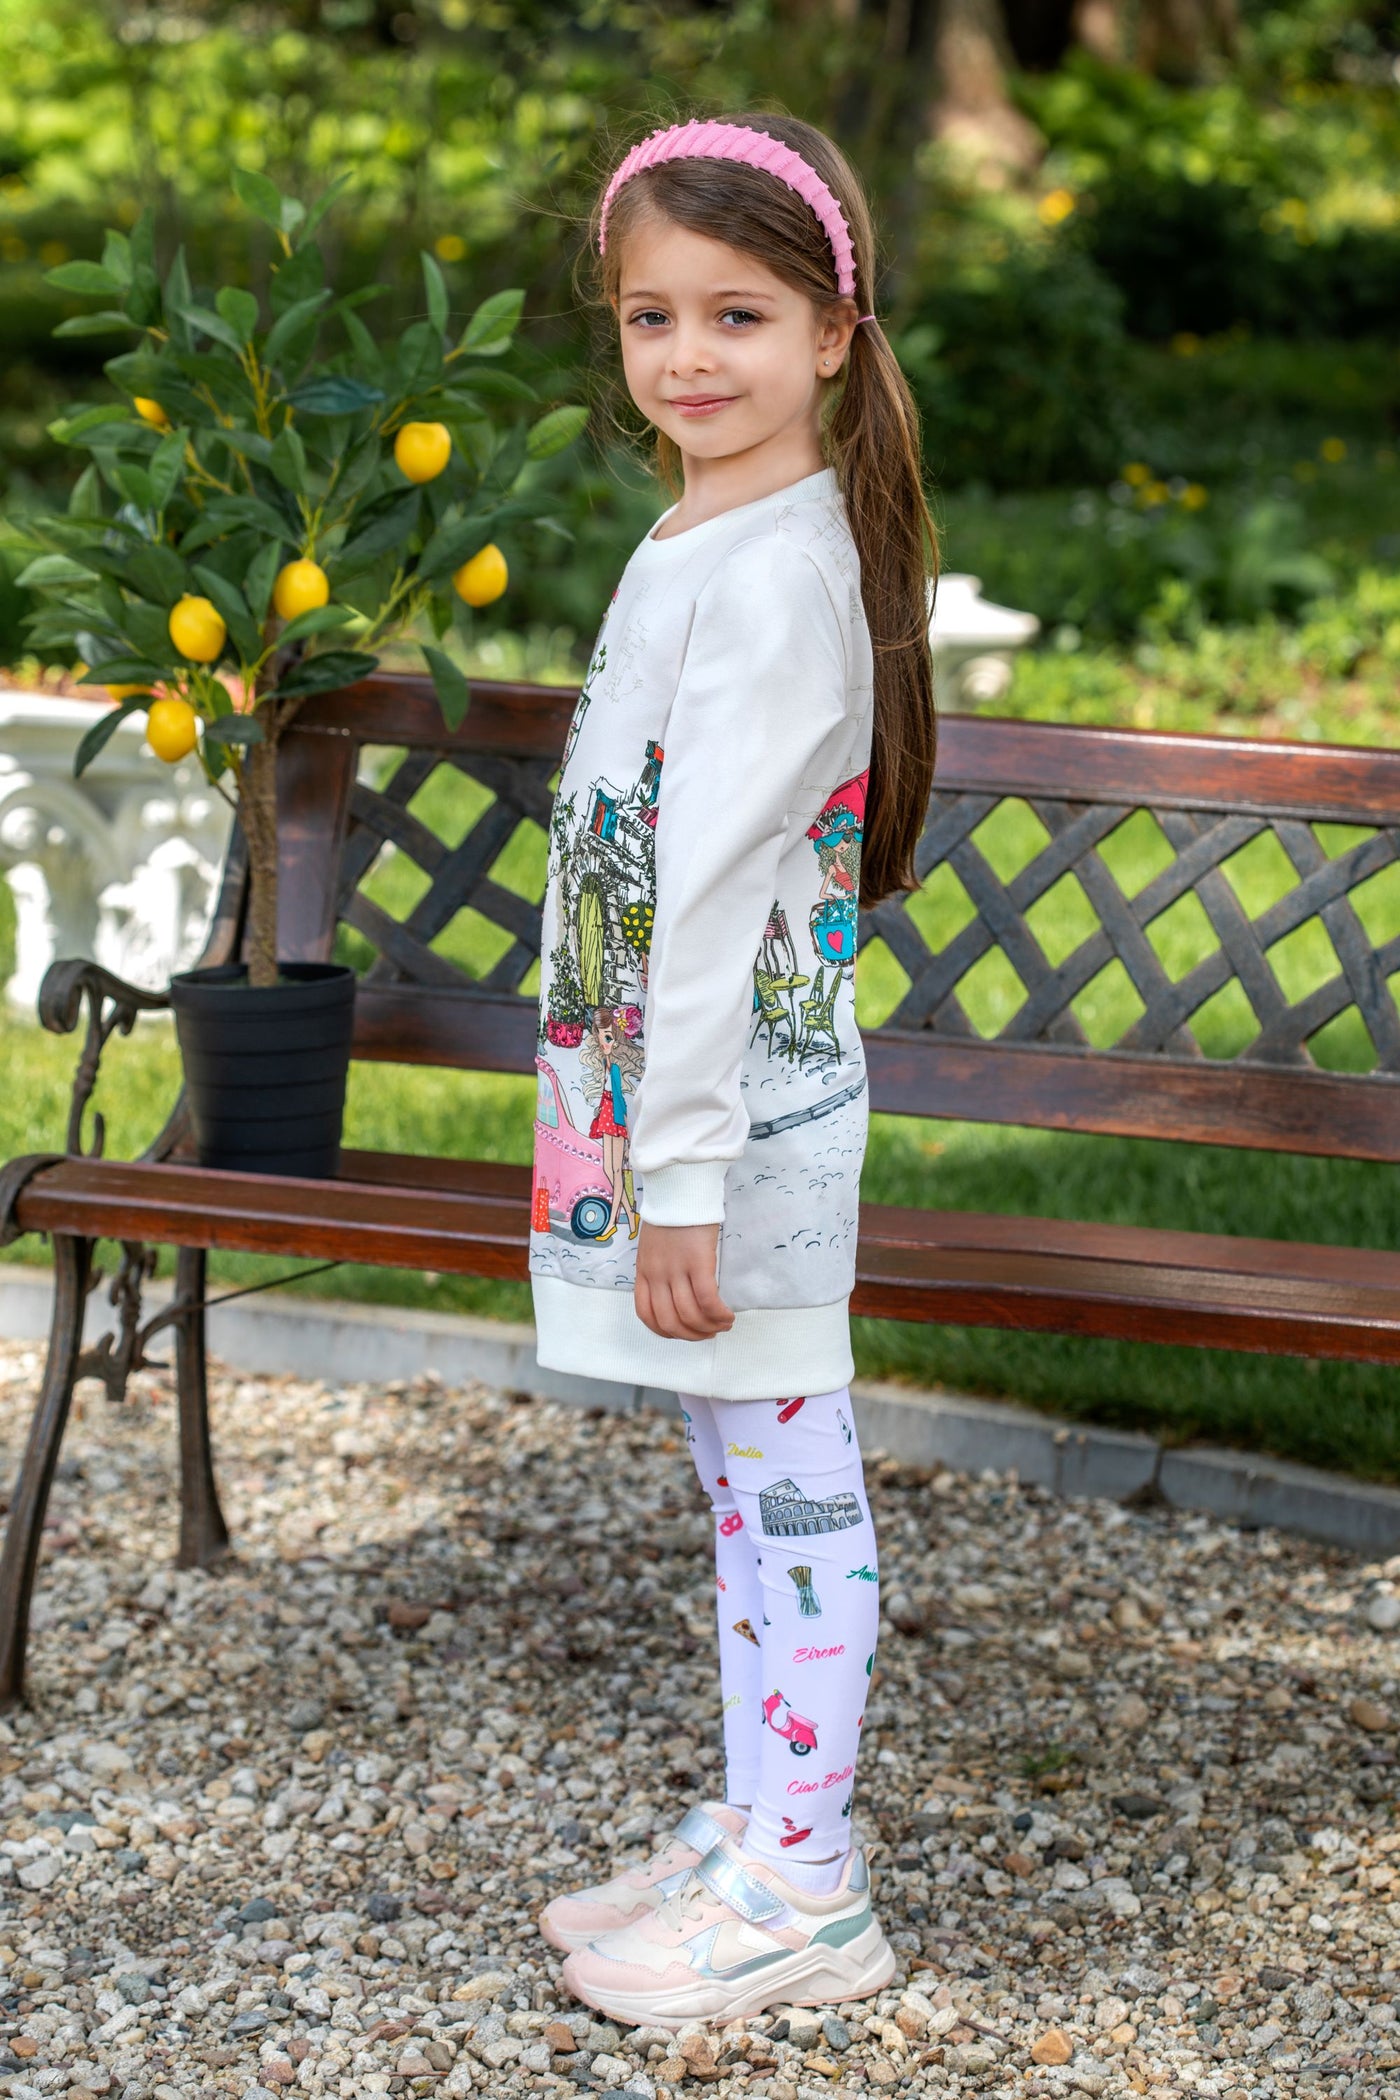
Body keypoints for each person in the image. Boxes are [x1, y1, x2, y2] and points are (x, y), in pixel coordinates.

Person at [529, 108, 939, 2026]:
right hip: (673, 1113)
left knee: (789, 1478)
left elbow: (700, 909)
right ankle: (766, 1821)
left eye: (741, 315)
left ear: (833, 335)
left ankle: (809, 1889)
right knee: (737, 1468)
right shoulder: (708, 532)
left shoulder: (774, 574)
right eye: (652, 317)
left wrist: (678, 1174)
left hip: (732, 1130)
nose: (689, 356)